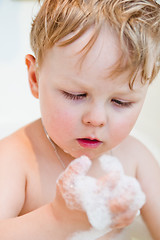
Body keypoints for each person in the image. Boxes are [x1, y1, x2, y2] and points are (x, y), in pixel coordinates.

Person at [0, 0, 160, 239]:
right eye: (76, 95)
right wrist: (57, 219)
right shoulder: (14, 160)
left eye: (121, 102)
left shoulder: (135, 159)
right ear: (34, 78)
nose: (96, 119)